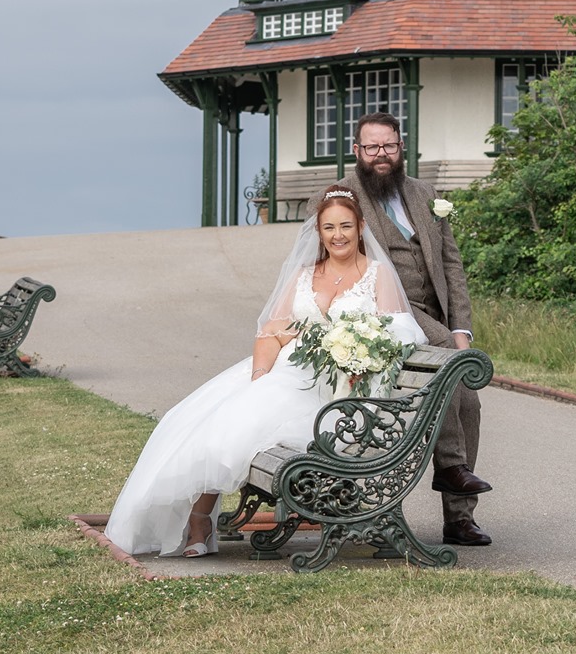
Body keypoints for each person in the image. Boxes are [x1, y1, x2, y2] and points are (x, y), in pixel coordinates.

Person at [103, 185, 427, 557]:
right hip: (282, 374)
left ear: (360, 227)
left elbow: (397, 335)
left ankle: (200, 520)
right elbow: (270, 332)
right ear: (318, 232)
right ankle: (199, 520)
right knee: (202, 420)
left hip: (335, 389)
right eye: (329, 228)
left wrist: (356, 355)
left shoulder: (377, 275)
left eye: (346, 226)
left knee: (237, 424)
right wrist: (260, 377)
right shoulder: (304, 276)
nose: (338, 236)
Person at [339, 112, 493, 547]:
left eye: (389, 146)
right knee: (444, 358)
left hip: (435, 315)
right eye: (372, 147)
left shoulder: (425, 194)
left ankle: (458, 517)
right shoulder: (341, 196)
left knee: (469, 404)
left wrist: (462, 328)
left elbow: (451, 267)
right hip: (384, 312)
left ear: (401, 147)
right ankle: (449, 469)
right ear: (357, 151)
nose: (381, 155)